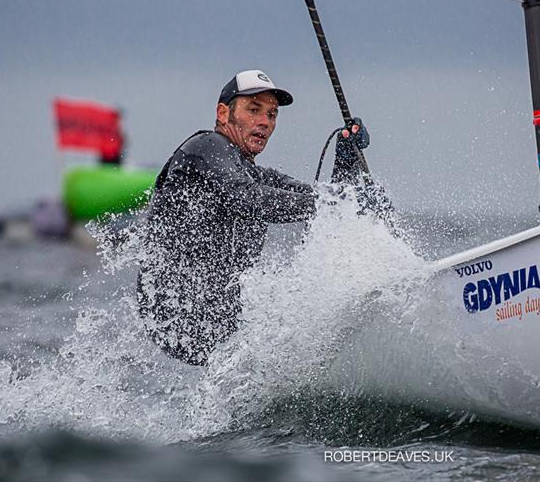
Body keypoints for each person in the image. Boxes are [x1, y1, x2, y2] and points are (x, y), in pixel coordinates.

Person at [137, 69, 369, 365]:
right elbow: (249, 198)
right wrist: (330, 204)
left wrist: (346, 160)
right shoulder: (205, 148)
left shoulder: (254, 174)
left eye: (272, 115)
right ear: (224, 113)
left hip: (225, 317)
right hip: (178, 315)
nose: (265, 122)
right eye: (254, 110)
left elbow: (325, 201)